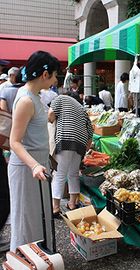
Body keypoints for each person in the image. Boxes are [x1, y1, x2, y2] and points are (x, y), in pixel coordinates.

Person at [8, 51, 60, 251]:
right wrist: (35, 165)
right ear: (45, 75)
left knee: (37, 217)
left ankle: (39, 257)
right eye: (55, 75)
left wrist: (46, 161)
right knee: (26, 220)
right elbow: (15, 141)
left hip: (37, 168)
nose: (56, 80)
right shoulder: (26, 101)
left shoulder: (34, 96)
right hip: (26, 169)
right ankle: (24, 259)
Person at [48, 93, 93, 216]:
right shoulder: (82, 108)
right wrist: (84, 149)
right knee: (73, 173)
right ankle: (72, 203)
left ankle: (55, 207)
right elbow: (90, 132)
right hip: (81, 143)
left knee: (59, 173)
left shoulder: (60, 98)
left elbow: (50, 116)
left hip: (65, 138)